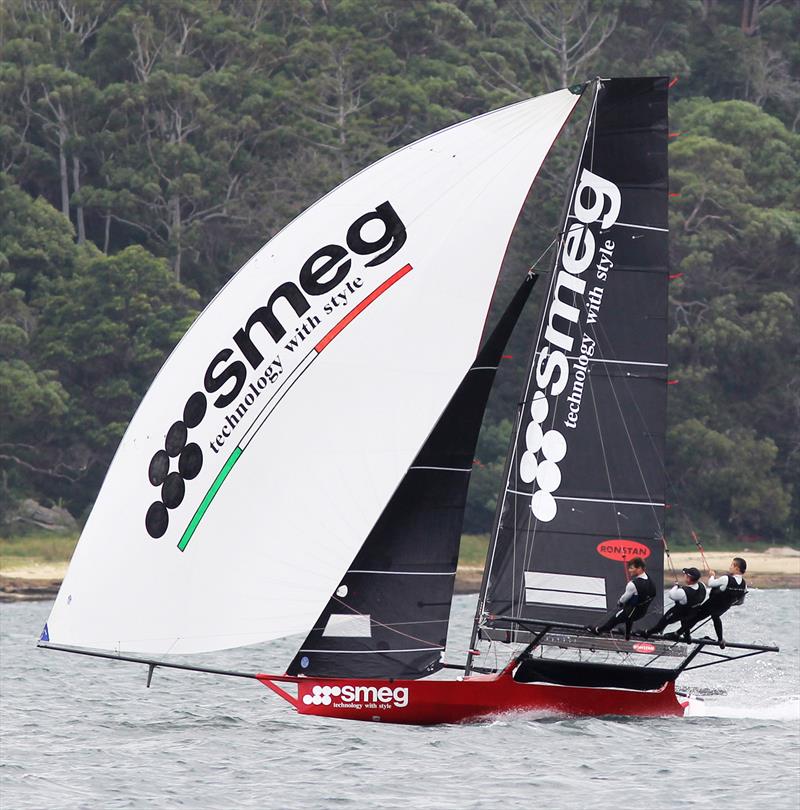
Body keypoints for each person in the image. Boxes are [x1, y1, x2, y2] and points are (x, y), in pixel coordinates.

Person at [589, 557, 657, 640]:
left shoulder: (633, 584)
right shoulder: (650, 581)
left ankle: (598, 630)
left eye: (631, 568)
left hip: (631, 612)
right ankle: (627, 636)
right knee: (630, 610)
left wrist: (619, 602)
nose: (629, 570)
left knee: (614, 619)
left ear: (639, 568)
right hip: (641, 613)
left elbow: (624, 598)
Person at [686, 557, 747, 649]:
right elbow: (740, 602)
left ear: (737, 568)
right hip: (723, 608)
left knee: (695, 617)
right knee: (715, 616)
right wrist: (729, 602)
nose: (729, 567)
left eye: (731, 565)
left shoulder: (726, 578)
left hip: (711, 605)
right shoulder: (744, 584)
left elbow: (711, 584)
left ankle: (683, 634)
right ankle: (720, 640)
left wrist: (712, 575)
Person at [644, 567, 706, 641]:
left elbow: (671, 595)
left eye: (685, 575)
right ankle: (687, 636)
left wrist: (676, 586)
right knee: (686, 616)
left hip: (678, 613)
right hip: (692, 613)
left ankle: (647, 633)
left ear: (688, 578)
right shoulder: (703, 586)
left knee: (662, 624)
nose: (684, 576)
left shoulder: (683, 592)